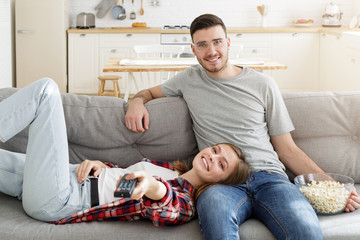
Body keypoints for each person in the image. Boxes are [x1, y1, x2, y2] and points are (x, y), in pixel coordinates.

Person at [125, 13, 360, 239]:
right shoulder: (189, 79)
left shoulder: (263, 84)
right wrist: (137, 101)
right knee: (218, 229)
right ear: (193, 49)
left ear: (228, 43)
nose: (212, 51)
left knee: (306, 231)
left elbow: (288, 149)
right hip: (221, 182)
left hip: (270, 178)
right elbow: (147, 92)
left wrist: (332, 186)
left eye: (217, 42)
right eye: (203, 45)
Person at [0, 77, 251, 226]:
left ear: (222, 182)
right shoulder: (170, 167)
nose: (213, 157)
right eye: (216, 150)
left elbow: (166, 207)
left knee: (46, 89)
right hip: (66, 177)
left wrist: (154, 186)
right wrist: (100, 165)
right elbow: (120, 178)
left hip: (61, 198)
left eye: (222, 164)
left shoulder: (186, 203)